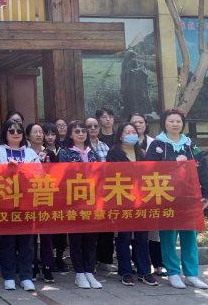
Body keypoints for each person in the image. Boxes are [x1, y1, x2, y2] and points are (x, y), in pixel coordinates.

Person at [146, 109, 208, 290]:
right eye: (171, 121)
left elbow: (203, 170)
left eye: (178, 121)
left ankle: (191, 274)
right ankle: (173, 273)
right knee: (168, 235)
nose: (175, 124)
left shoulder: (191, 146)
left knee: (189, 235)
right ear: (164, 123)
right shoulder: (157, 145)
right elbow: (149, 170)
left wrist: (207, 194)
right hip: (166, 197)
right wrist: (174, 165)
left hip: (190, 197)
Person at [0, 119, 39, 292]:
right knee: (7, 241)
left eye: (19, 131)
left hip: (27, 201)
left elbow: (40, 174)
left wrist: (26, 173)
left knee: (27, 242)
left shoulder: (30, 153)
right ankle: (8, 276)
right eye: (11, 131)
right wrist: (6, 170)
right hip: (5, 201)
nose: (15, 134)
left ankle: (26, 277)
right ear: (5, 133)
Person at [106, 122, 158, 287]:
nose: (131, 135)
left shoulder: (142, 152)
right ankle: (125, 272)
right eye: (127, 132)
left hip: (141, 201)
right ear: (121, 136)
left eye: (133, 132)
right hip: (123, 200)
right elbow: (111, 175)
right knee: (124, 237)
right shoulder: (114, 152)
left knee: (142, 237)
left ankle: (144, 272)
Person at [59, 121, 103, 289]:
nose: (81, 134)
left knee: (91, 240)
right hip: (74, 201)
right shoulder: (65, 153)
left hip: (93, 201)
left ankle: (89, 271)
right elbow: (62, 177)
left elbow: (102, 175)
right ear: (70, 134)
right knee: (76, 240)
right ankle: (79, 273)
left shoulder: (94, 153)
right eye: (76, 131)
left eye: (83, 131)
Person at [128, 112, 164, 275]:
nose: (138, 125)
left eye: (140, 122)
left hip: (152, 190)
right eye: (134, 123)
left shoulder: (155, 143)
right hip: (132, 192)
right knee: (136, 230)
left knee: (154, 231)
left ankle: (158, 264)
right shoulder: (126, 145)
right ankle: (137, 263)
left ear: (146, 124)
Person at [26, 123, 55, 283]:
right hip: (28, 197)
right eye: (35, 132)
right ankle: (32, 265)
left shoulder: (50, 153)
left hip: (46, 196)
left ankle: (47, 266)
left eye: (41, 132)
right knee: (30, 234)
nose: (39, 135)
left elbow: (57, 174)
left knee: (46, 234)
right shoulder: (24, 153)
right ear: (27, 135)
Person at [85, 116, 114, 272]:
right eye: (89, 126)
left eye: (95, 126)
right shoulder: (82, 146)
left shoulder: (104, 146)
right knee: (90, 229)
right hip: (87, 193)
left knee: (106, 228)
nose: (93, 128)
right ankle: (91, 262)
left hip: (105, 191)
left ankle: (105, 260)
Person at [41, 123, 68, 273]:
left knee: (61, 228)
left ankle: (59, 258)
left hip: (61, 192)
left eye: (53, 134)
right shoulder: (40, 151)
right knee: (48, 228)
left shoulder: (63, 150)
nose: (50, 137)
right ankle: (47, 259)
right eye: (47, 134)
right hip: (45, 192)